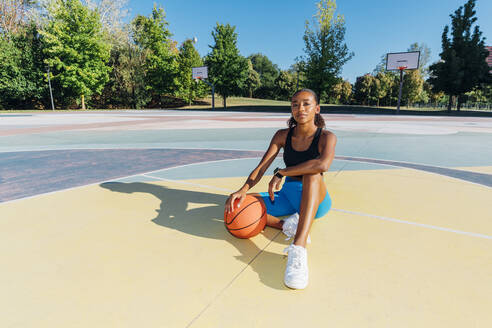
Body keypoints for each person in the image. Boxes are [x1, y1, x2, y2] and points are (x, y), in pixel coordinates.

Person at [225, 89, 337, 289]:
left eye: (306, 104)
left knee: (312, 174)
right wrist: (242, 189)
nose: (300, 108)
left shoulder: (326, 137)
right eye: (295, 104)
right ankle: (287, 225)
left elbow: (322, 165)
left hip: (316, 200)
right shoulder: (282, 136)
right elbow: (261, 167)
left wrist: (282, 172)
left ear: (317, 109)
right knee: (241, 205)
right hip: (288, 195)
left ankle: (298, 249)